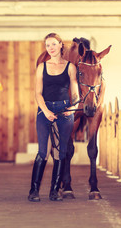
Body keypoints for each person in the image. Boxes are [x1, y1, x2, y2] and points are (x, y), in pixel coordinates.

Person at [28, 33, 79, 202]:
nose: (50, 48)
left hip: (64, 110)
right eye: (47, 45)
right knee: (43, 152)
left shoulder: (70, 67)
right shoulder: (42, 67)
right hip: (45, 109)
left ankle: (54, 191)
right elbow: (37, 93)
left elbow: (76, 94)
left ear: (60, 45)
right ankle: (34, 191)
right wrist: (45, 110)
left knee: (60, 152)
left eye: (53, 44)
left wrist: (73, 108)